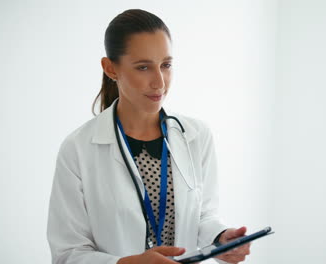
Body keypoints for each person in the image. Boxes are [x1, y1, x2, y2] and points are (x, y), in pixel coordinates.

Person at [47, 9, 251, 264]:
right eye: (143, 67)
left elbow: (202, 217)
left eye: (166, 65)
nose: (159, 82)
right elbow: (68, 253)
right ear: (110, 68)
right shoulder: (77, 149)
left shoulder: (197, 136)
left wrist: (222, 238)